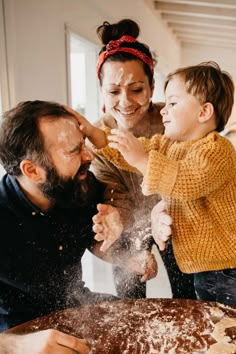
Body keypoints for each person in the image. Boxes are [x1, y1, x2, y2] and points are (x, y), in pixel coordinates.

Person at [0, 100, 157, 353]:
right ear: (32, 170)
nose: (89, 156)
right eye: (74, 151)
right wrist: (14, 344)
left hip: (77, 306)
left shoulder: (79, 185)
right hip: (16, 330)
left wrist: (127, 257)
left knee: (147, 324)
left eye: (83, 144)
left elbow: (92, 240)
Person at [82, 61, 236, 305]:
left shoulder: (217, 150)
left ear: (204, 112)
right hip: (202, 266)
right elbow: (128, 151)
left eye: (173, 103)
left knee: (227, 326)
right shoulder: (170, 144)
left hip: (228, 268)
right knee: (209, 320)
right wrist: (94, 134)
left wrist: (143, 160)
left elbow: (187, 181)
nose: (165, 109)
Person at [88, 18, 196, 299]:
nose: (125, 102)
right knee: (130, 301)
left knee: (186, 295)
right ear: (101, 92)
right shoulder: (99, 138)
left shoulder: (173, 122)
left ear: (151, 87)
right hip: (127, 225)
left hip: (175, 218)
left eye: (136, 90)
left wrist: (162, 210)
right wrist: (115, 218)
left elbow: (192, 174)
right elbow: (117, 197)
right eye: (113, 91)